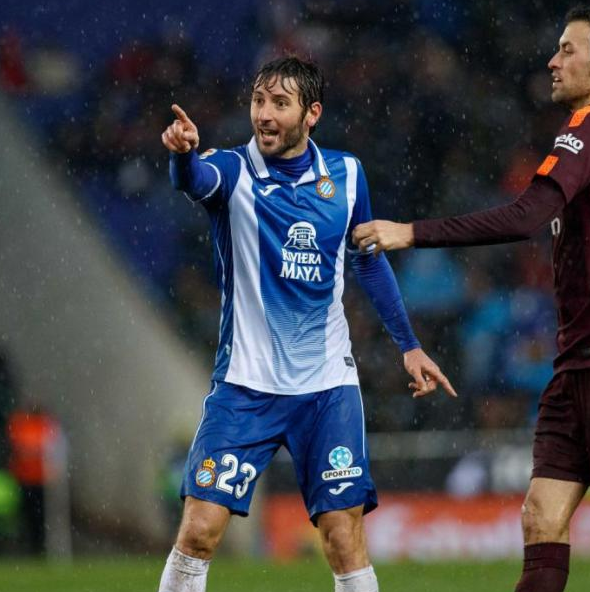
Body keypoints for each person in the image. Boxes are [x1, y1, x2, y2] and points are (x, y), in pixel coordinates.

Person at [352, 7, 590, 592]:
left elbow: (526, 216)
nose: (552, 61)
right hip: (577, 363)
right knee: (540, 517)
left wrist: (411, 231)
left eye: (567, 50)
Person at [158, 56, 456, 592]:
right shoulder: (232, 170)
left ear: (311, 113)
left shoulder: (346, 175)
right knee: (199, 530)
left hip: (326, 388)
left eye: (280, 103)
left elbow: (367, 258)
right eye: (258, 101)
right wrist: (182, 156)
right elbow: (195, 180)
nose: (264, 115)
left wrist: (409, 345)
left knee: (343, 540)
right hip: (245, 387)